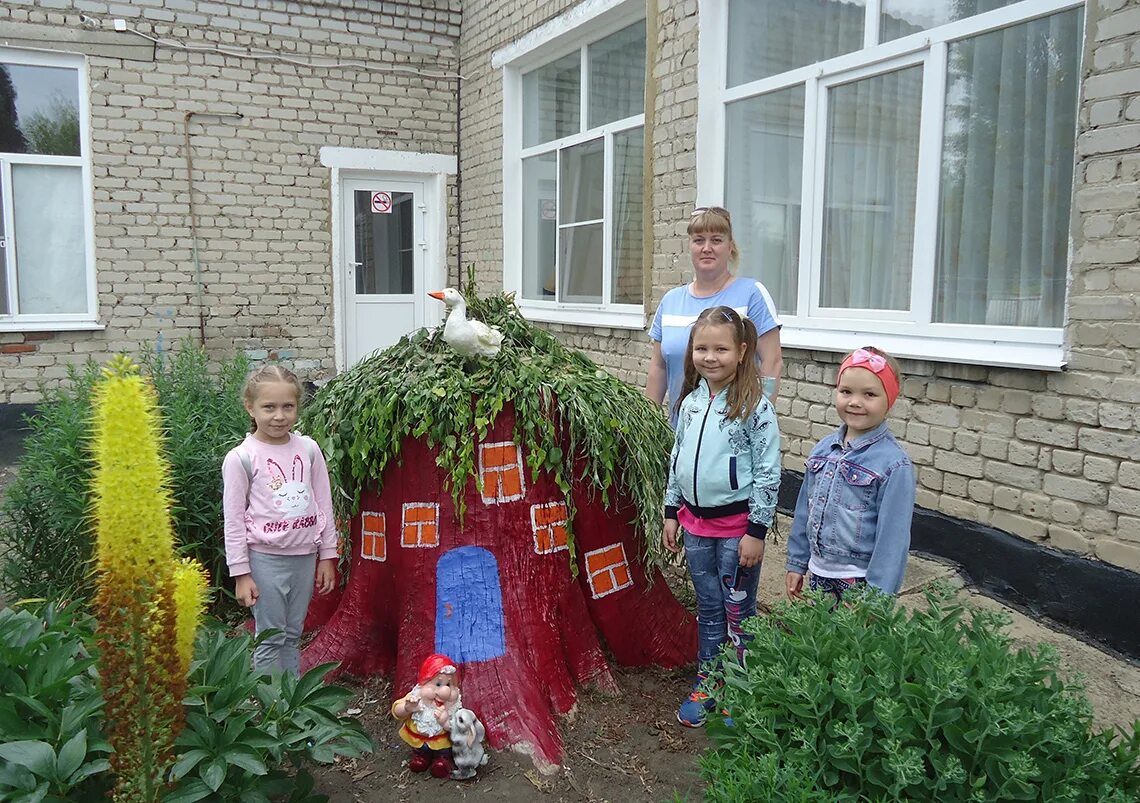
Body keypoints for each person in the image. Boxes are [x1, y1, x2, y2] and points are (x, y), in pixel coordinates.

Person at [662, 306, 781, 727]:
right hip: (695, 527)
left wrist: (757, 530)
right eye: (702, 348)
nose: (710, 357)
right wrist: (670, 511)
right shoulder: (691, 403)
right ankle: (709, 682)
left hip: (736, 532)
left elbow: (769, 472)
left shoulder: (754, 407)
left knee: (738, 610)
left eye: (721, 349)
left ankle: (740, 687)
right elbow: (677, 458)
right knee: (709, 607)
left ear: (742, 350)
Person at [222, 364, 338, 674]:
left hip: (304, 558)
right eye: (269, 407)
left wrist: (327, 555)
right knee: (270, 637)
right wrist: (241, 574)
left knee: (292, 634)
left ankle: (291, 707)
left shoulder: (309, 450)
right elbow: (232, 521)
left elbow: (323, 505)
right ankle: (269, 712)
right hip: (265, 561)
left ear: (298, 406)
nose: (279, 415)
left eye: (288, 406)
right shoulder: (241, 458)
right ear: (250, 407)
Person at [785, 347, 915, 606]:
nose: (855, 402)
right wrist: (797, 562)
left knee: (853, 645)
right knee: (820, 642)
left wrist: (875, 600)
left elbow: (893, 539)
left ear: (889, 400)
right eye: (846, 392)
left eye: (869, 394)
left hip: (859, 581)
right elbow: (804, 512)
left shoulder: (893, 465)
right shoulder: (823, 450)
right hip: (819, 573)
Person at [647, 206, 783, 426]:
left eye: (716, 240)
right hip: (681, 432)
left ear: (730, 247)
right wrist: (648, 424)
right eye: (699, 240)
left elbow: (773, 362)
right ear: (690, 246)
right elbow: (658, 368)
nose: (707, 248)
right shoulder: (670, 301)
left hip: (734, 433)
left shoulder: (751, 294)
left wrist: (756, 422)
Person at [392, 653, 464, 778]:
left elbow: (457, 728)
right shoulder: (416, 698)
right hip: (418, 741)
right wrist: (407, 708)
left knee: (443, 754)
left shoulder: (453, 707)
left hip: (442, 743)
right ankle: (421, 758)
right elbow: (397, 712)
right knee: (420, 752)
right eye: (437, 684)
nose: (444, 692)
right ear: (423, 683)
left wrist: (445, 722)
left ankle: (442, 761)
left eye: (449, 685)